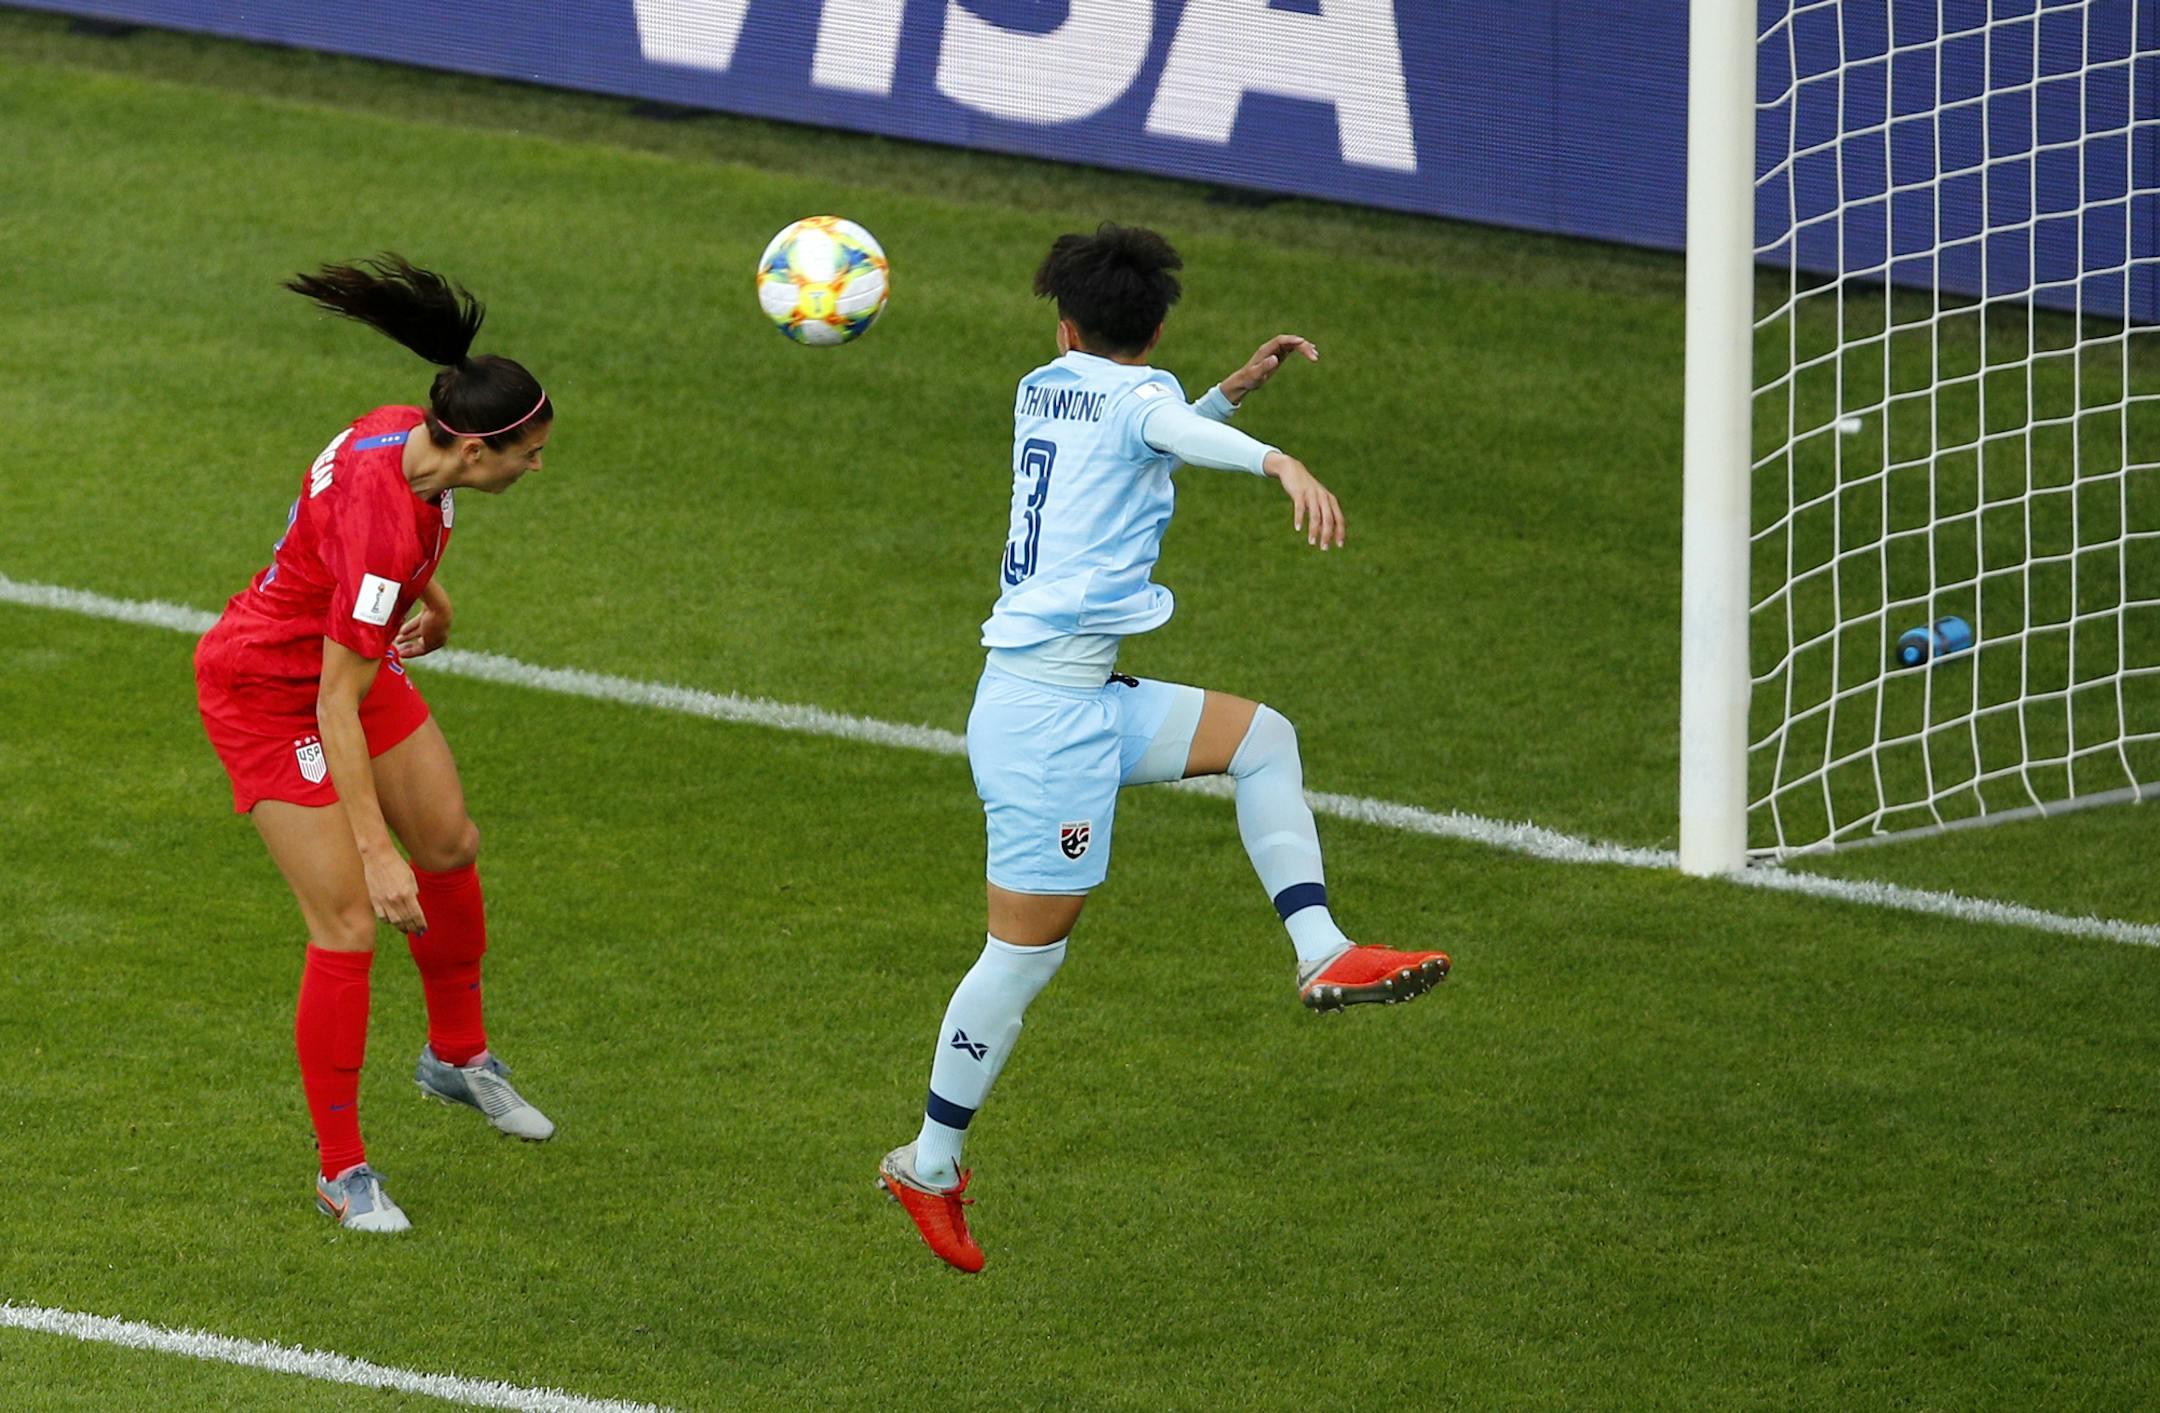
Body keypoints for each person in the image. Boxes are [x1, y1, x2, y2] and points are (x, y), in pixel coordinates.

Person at [878, 223, 1451, 1272]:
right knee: (1023, 957)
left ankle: (1322, 951)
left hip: (1077, 698)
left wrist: (1230, 394)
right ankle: (926, 1163)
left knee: (1263, 741)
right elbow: (1159, 430)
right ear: (1156, 327)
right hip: (1046, 729)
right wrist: (1275, 457)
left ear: (1067, 324)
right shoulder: (1141, 402)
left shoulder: (1041, 385)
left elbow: (1143, 432)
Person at [193, 255, 556, 1234]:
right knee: (353, 920)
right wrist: (370, 849)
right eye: (527, 453)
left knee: (448, 842)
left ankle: (456, 1056)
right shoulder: (381, 532)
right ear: (477, 451)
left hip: (342, 653)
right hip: (272, 692)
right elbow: (332, 709)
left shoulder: (402, 428)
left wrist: (432, 605)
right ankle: (341, 1170)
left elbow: (384, 539)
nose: (536, 465)